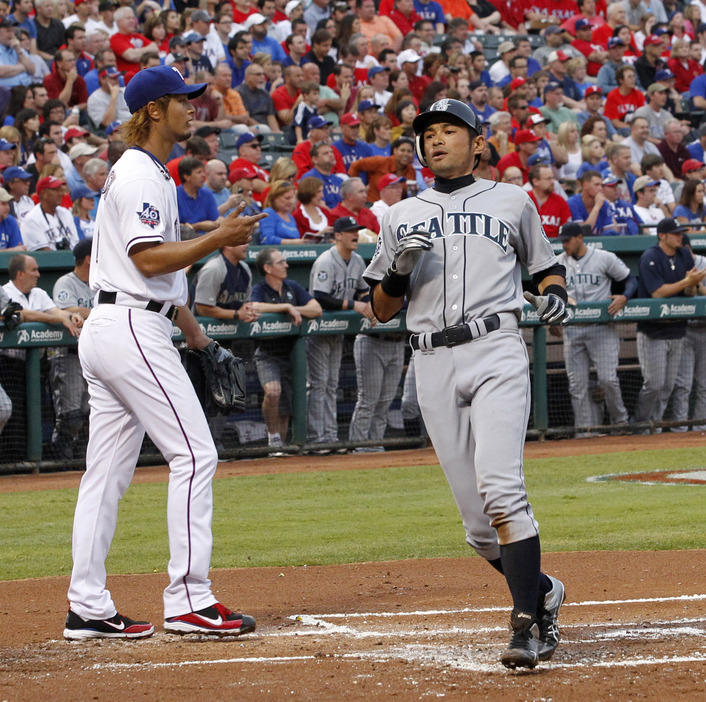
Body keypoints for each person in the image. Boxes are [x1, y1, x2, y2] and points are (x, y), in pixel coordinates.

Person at [63, 65, 267, 640]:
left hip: (115, 325)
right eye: (182, 100)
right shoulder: (141, 175)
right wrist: (217, 240)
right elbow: (149, 260)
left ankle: (87, 605)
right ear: (153, 110)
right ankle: (189, 599)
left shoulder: (144, 171)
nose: (193, 108)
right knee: (196, 455)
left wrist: (196, 331)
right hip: (131, 326)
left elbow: (153, 258)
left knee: (103, 477)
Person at [364, 98, 568, 670]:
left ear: (477, 142)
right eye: (428, 133)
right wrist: (400, 272)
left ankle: (526, 625)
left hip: (496, 347)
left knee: (502, 490)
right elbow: (378, 309)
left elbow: (545, 267)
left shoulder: (511, 199)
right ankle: (544, 590)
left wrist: (555, 293)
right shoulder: (400, 214)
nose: (436, 140)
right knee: (480, 530)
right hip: (431, 359)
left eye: (449, 130)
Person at [556, 222, 635, 435]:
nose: (564, 244)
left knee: (608, 379)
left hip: (601, 327)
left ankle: (620, 424)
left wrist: (624, 296)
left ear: (580, 238)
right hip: (573, 330)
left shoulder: (603, 257)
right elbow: (548, 290)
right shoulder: (558, 263)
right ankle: (585, 432)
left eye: (568, 240)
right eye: (562, 241)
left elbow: (629, 279)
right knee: (577, 386)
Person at [1, 253, 82, 461]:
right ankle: (13, 462)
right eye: (33, 270)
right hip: (11, 364)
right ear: (20, 274)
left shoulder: (38, 293)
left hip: (39, 365)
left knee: (39, 414)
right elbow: (24, 314)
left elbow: (56, 310)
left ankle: (34, 463)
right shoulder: (5, 292)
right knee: (15, 415)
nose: (38, 274)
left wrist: (69, 316)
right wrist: (57, 319)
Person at [307, 215, 376, 450]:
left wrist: (369, 305)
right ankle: (318, 439)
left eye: (356, 230)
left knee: (331, 384)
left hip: (336, 333)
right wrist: (353, 305)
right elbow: (320, 297)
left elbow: (363, 291)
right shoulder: (326, 260)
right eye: (350, 231)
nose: (355, 234)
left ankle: (330, 436)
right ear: (337, 236)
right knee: (318, 385)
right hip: (316, 332)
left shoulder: (357, 260)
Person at [632, 218, 706, 427]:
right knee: (654, 384)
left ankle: (654, 426)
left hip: (677, 329)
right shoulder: (650, 256)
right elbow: (657, 293)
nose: (679, 236)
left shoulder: (683, 254)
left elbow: (690, 292)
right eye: (675, 233)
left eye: (681, 232)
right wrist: (687, 282)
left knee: (667, 386)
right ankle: (640, 424)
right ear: (662, 236)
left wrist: (692, 285)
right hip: (653, 330)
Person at [250, 247, 322, 454]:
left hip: (293, 353)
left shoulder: (292, 286)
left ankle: (280, 448)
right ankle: (274, 440)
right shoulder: (261, 288)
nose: (286, 265)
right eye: (280, 262)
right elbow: (253, 306)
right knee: (273, 393)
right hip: (268, 352)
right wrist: (285, 308)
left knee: (286, 405)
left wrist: (294, 308)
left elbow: (316, 309)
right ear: (268, 268)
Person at [49, 238, 94, 459]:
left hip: (94, 354)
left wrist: (87, 314)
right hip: (69, 354)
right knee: (71, 415)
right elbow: (68, 310)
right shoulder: (65, 282)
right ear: (88, 259)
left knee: (89, 411)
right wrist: (94, 313)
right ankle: (59, 460)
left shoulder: (100, 281)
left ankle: (79, 456)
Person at [348, 136, 416, 202]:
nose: (406, 154)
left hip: (395, 208)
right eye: (402, 150)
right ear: (395, 150)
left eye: (409, 151)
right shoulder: (380, 162)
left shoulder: (411, 170)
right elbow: (355, 165)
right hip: (372, 204)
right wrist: (358, 187)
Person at [20, 176, 79, 251]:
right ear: (43, 193)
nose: (60, 194)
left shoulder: (65, 213)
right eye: (55, 190)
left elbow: (75, 244)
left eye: (60, 190)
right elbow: (44, 253)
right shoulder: (31, 219)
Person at [176, 157, 221, 235]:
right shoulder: (175, 195)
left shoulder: (207, 195)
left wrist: (219, 222)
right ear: (186, 176)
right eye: (199, 172)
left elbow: (215, 219)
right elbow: (176, 228)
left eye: (203, 172)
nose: (203, 175)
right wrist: (198, 226)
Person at [527, 164, 571, 239]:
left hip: (555, 246)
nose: (553, 182)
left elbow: (566, 229)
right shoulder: (525, 199)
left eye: (553, 178)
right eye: (548, 179)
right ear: (535, 181)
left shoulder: (560, 201)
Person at [300, 142, 345, 209]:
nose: (331, 155)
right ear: (315, 159)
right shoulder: (310, 178)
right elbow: (320, 206)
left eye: (331, 152)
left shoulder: (339, 180)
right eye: (325, 153)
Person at [292, 175, 335, 241]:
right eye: (318, 192)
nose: (322, 195)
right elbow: (300, 242)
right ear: (309, 192)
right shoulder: (297, 216)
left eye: (322, 191)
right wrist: (321, 233)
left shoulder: (325, 212)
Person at [259, 179, 301, 244]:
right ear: (275, 198)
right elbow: (267, 239)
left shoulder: (290, 217)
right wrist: (291, 242)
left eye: (292, 198)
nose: (290, 201)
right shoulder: (268, 213)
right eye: (287, 198)